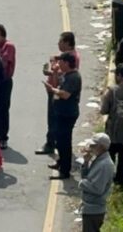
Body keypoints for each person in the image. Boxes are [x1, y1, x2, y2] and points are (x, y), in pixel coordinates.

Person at [37, 32, 80, 155]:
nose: (58, 44)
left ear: (67, 43)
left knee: (53, 120)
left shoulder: (72, 59)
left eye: (60, 41)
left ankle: (51, 144)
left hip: (59, 93)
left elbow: (63, 76)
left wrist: (51, 73)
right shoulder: (66, 56)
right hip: (56, 90)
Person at [44, 52, 82, 180]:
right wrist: (54, 73)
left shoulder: (74, 77)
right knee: (59, 140)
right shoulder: (66, 75)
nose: (58, 64)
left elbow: (65, 94)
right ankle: (60, 162)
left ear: (67, 63)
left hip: (68, 113)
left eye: (60, 62)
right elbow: (57, 85)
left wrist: (52, 90)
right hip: (60, 112)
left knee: (64, 142)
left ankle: (65, 170)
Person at [79, 133, 116, 232]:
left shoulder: (105, 165)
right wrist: (86, 162)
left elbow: (97, 189)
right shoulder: (99, 160)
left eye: (93, 145)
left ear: (101, 147)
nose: (90, 147)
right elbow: (86, 176)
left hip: (94, 211)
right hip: (90, 208)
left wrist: (82, 183)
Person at [0, 24, 16, 150]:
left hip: (4, 82)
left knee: (3, 109)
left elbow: (3, 63)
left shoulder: (8, 46)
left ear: (0, 33)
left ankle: (3, 137)